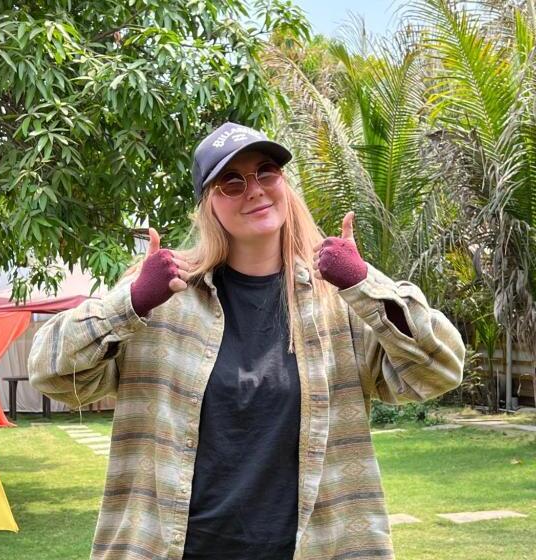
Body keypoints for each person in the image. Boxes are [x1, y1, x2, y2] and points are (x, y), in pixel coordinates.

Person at [28, 122, 465, 560]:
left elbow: (439, 370)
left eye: (266, 171)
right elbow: (51, 373)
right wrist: (133, 301)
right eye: (231, 181)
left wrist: (363, 282)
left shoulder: (339, 302)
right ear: (208, 204)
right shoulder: (162, 298)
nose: (254, 189)